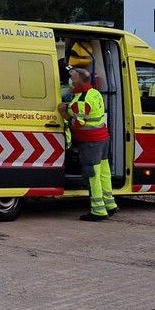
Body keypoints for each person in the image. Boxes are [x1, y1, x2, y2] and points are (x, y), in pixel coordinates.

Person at [60, 67, 117, 221]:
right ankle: (110, 204)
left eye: (74, 77)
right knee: (104, 174)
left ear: (80, 81)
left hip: (91, 143)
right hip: (103, 139)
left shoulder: (80, 101)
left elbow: (76, 123)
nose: (71, 79)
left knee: (92, 176)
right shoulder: (95, 93)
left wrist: (64, 113)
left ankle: (98, 211)